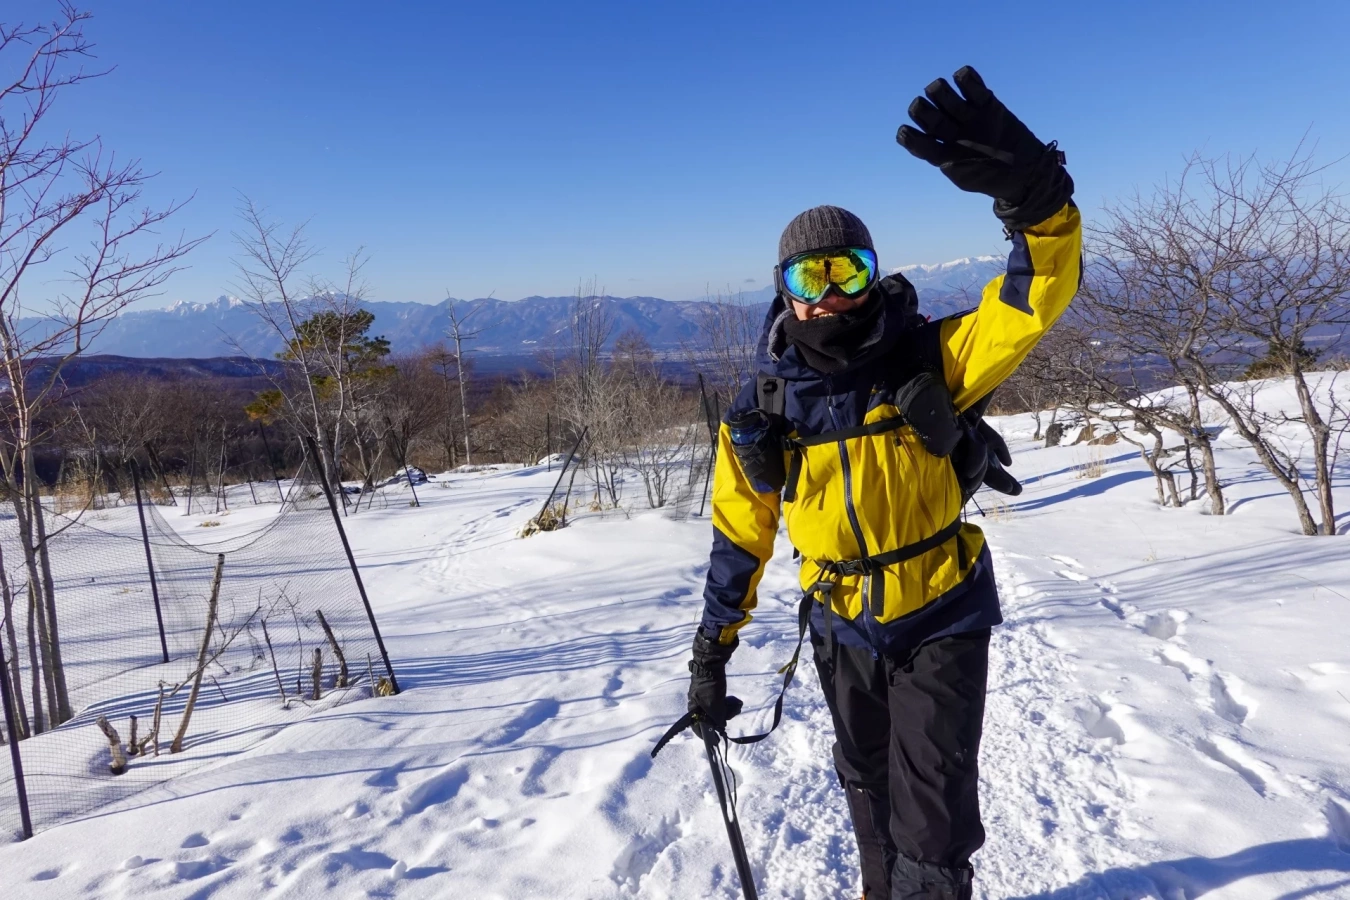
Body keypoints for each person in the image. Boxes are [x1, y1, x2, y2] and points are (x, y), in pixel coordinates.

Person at [685, 67, 1080, 900]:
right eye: (811, 278)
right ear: (784, 291)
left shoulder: (930, 361)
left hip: (941, 611)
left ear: (873, 275)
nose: (831, 296)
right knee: (867, 785)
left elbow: (1034, 301)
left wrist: (1034, 200)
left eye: (848, 272)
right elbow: (739, 535)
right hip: (840, 622)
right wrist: (712, 653)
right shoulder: (762, 410)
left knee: (932, 825)